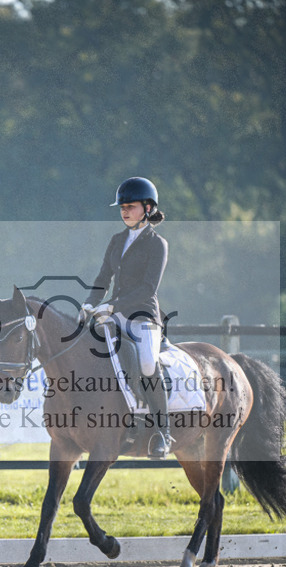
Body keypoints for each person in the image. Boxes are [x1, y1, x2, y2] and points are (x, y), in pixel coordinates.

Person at [80, 176, 171, 458]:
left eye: (130, 206)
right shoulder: (117, 240)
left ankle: (162, 433)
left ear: (147, 208)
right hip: (114, 314)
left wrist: (112, 306)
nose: (124, 211)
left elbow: (148, 288)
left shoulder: (157, 244)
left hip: (143, 316)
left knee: (145, 364)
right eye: (122, 207)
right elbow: (102, 278)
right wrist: (89, 303)